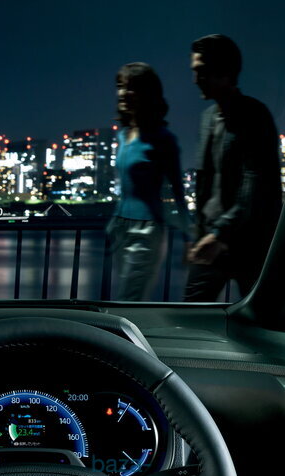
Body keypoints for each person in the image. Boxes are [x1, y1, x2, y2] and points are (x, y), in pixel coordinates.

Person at [184, 33, 282, 301]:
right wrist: (201, 233)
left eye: (202, 71)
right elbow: (204, 184)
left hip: (250, 243)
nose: (195, 79)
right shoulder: (207, 118)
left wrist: (219, 234)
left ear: (225, 73)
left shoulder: (255, 115)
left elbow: (255, 185)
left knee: (259, 317)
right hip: (212, 239)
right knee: (190, 314)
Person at [110, 62, 188, 300]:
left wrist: (188, 238)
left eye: (131, 87)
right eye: (120, 86)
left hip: (147, 230)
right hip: (120, 228)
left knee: (129, 299)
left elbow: (178, 192)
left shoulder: (163, 139)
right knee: (124, 300)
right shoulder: (123, 136)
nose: (123, 93)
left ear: (147, 94)